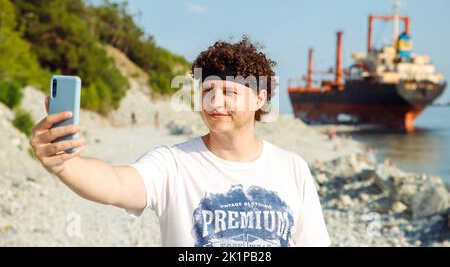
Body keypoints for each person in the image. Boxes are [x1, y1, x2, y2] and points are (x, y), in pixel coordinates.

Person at [29, 37, 331, 247]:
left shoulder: (292, 167)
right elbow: (116, 183)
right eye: (209, 90)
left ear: (260, 98)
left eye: (230, 92)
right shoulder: (172, 164)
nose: (215, 101)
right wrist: (65, 163)